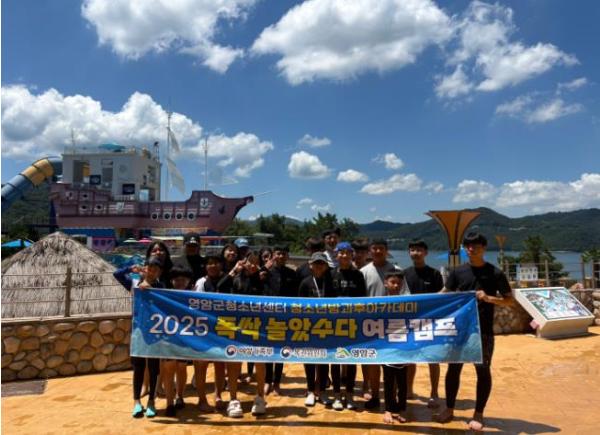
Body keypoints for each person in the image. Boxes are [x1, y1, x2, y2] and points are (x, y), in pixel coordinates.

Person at [436, 232, 514, 432]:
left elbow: (509, 300)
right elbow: (444, 294)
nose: (471, 249)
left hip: (483, 331)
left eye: (476, 246)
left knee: (483, 371)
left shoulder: (495, 273)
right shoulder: (457, 272)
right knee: (453, 369)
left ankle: (479, 413)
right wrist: (421, 303)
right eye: (468, 246)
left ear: (484, 248)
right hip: (459, 330)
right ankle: (449, 408)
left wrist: (488, 298)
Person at [217, 251, 269, 417]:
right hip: (236, 326)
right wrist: (234, 270)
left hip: (257, 326)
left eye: (256, 262)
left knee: (260, 362)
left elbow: (271, 297)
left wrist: (262, 277)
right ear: (243, 262)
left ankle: (260, 398)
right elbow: (220, 287)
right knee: (234, 362)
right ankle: (233, 399)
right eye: (249, 261)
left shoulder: (262, 279)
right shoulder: (236, 277)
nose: (252, 265)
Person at [114, 256, 164, 418]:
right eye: (150, 268)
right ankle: (136, 402)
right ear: (145, 269)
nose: (152, 272)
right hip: (138, 332)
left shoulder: (161, 287)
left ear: (159, 272)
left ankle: (151, 402)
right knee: (138, 367)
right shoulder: (134, 283)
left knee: (154, 368)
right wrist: (130, 269)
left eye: (156, 270)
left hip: (155, 333)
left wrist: (151, 289)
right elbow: (117, 274)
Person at [361, 239, 405, 410]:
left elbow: (407, 296)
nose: (378, 251)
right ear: (370, 251)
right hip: (371, 324)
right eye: (375, 248)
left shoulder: (397, 271)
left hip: (394, 325)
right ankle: (374, 395)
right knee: (373, 362)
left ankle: (392, 399)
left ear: (387, 251)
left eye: (381, 248)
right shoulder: (364, 272)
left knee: (393, 364)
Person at [403, 239, 444, 407]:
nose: (416, 253)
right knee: (409, 358)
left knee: (433, 359)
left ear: (426, 253)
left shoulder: (434, 274)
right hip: (409, 322)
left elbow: (442, 297)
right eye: (413, 250)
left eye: (419, 250)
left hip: (430, 323)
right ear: (409, 253)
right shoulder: (404, 274)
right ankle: (408, 390)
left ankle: (434, 393)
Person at [330, 242, 367, 411]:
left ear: (352, 255)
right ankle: (337, 394)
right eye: (341, 252)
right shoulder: (330, 274)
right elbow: (325, 298)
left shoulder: (358, 275)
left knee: (351, 360)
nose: (344, 256)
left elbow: (363, 299)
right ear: (336, 255)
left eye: (347, 253)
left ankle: (350, 394)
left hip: (352, 324)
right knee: (335, 360)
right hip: (333, 324)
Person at [298, 252, 334, 407]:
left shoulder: (330, 282)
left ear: (326, 266)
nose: (319, 266)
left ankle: (322, 391)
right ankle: (311, 390)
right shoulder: (305, 283)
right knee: (309, 359)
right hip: (309, 327)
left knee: (324, 359)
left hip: (326, 327)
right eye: (316, 263)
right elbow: (298, 306)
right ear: (310, 265)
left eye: (322, 263)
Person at [193, 255, 228, 412]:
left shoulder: (227, 280)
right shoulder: (200, 282)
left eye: (216, 263)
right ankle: (202, 399)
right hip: (203, 330)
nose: (213, 266)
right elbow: (195, 303)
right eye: (210, 263)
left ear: (221, 265)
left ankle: (218, 395)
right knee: (201, 365)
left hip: (221, 329)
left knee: (220, 364)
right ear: (206, 266)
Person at [263, 245, 298, 396]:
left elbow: (296, 296)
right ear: (273, 255)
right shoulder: (265, 272)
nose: (281, 256)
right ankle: (267, 381)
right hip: (267, 316)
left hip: (284, 318)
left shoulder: (292, 274)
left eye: (284, 254)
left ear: (287, 256)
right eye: (278, 253)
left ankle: (277, 382)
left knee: (281, 350)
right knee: (268, 350)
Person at [162, 264, 194, 417]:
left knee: (181, 367)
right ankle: (169, 403)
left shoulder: (193, 298)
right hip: (169, 338)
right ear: (171, 280)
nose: (180, 282)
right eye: (177, 279)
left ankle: (179, 396)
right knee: (169, 368)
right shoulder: (164, 295)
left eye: (183, 279)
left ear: (188, 281)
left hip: (185, 339)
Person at [382, 270, 409, 425]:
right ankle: (388, 409)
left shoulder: (407, 303)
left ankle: (402, 408)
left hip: (403, 347)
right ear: (386, 283)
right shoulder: (378, 303)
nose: (396, 285)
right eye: (393, 282)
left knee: (402, 381)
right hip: (385, 348)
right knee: (388, 381)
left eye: (399, 283)